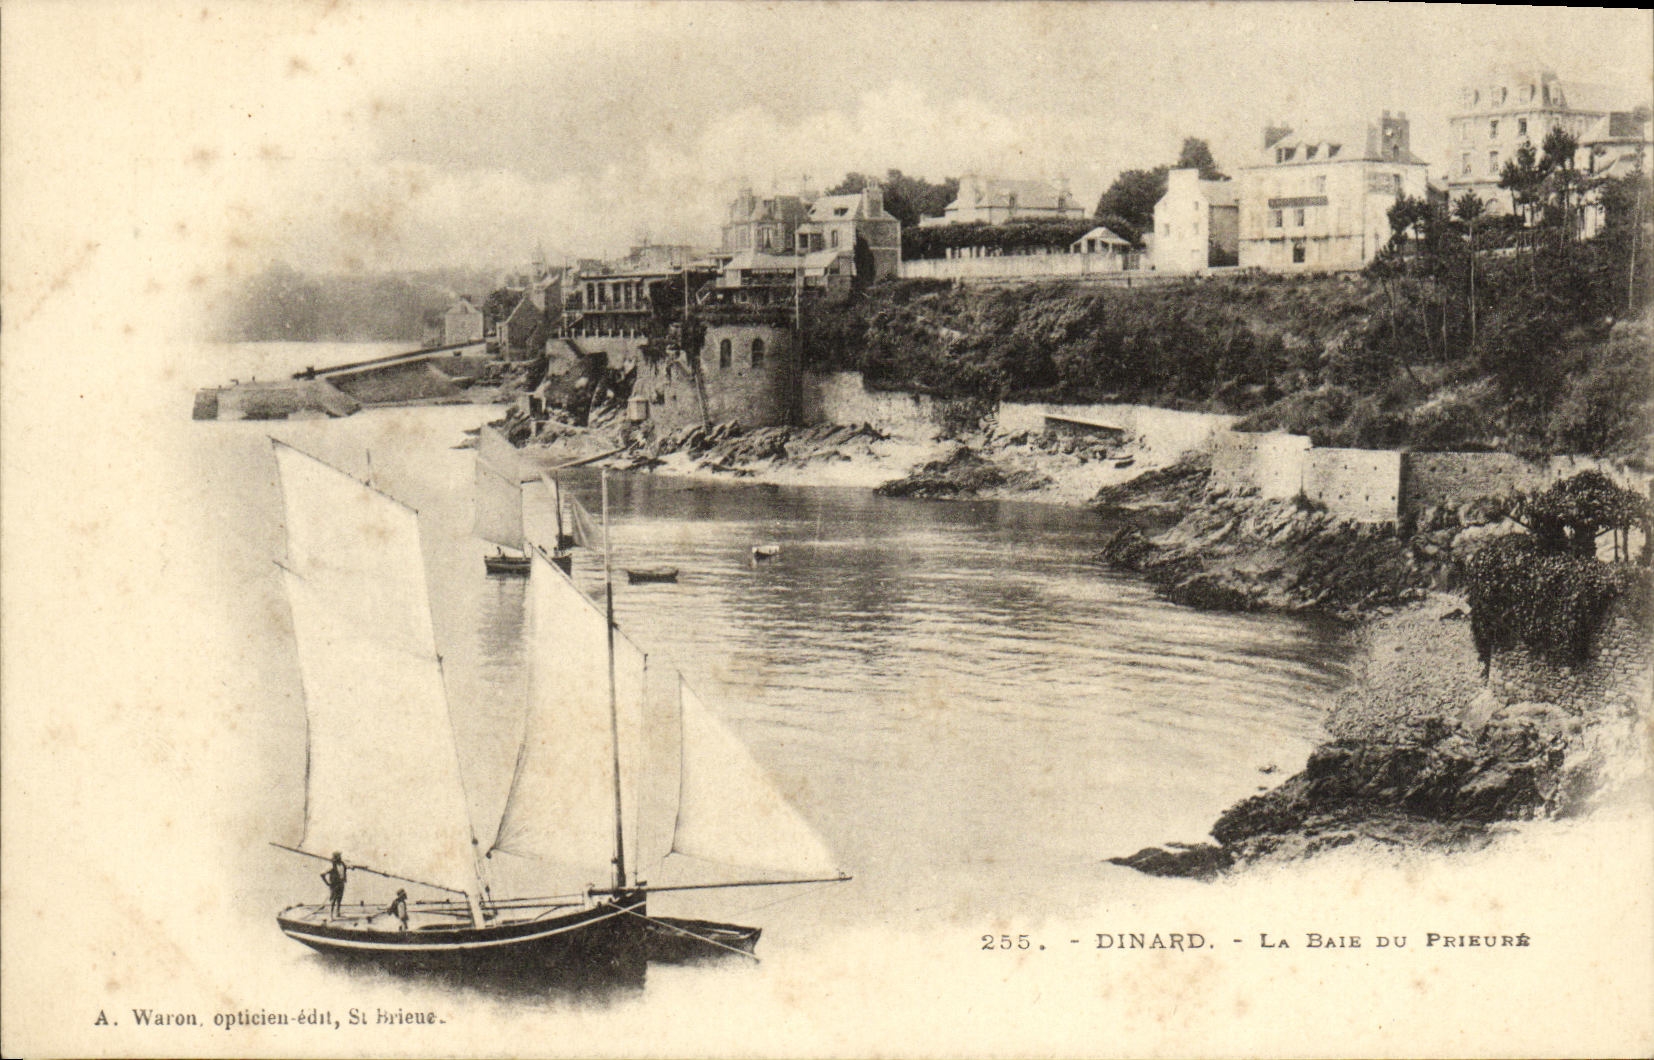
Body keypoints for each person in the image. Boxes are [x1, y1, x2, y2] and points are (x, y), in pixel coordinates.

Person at [320, 852, 347, 918]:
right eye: (338, 856)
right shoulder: (331, 866)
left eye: (340, 856)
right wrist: (327, 883)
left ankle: (338, 913)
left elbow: (348, 867)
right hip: (334, 885)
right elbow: (322, 874)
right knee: (333, 900)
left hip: (341, 883)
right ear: (335, 857)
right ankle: (331, 915)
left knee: (339, 899)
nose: (340, 857)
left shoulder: (342, 864)